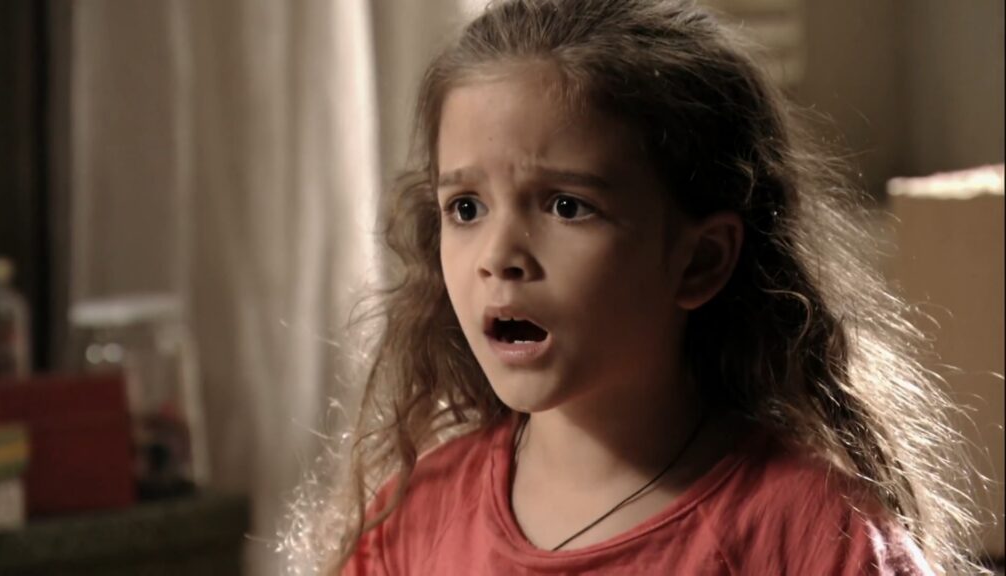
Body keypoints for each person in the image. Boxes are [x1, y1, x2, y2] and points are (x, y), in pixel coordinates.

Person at [287, 1, 984, 574]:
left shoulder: (813, 535)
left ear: (699, 261)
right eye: (466, 208)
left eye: (567, 206)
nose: (498, 257)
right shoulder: (413, 519)